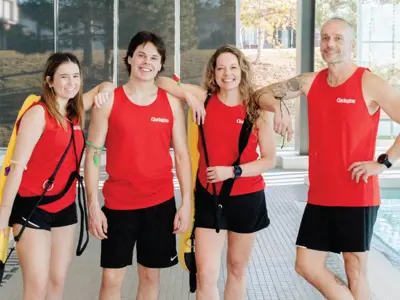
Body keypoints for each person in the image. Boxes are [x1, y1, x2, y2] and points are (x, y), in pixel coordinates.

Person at [254, 17, 400, 300]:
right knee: (306, 265)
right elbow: (260, 94)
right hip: (320, 193)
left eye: (337, 38)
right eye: (324, 38)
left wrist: (383, 163)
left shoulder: (369, 82)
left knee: (354, 269)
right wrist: (280, 108)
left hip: (357, 192)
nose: (329, 44)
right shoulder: (310, 82)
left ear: (352, 45)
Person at [84, 31, 205, 300]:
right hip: (118, 204)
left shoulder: (172, 102)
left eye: (154, 57)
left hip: (159, 204)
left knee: (151, 276)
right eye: (141, 55)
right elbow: (92, 154)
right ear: (129, 58)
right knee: (111, 278)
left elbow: (182, 155)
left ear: (161, 64)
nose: (146, 62)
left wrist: (186, 203)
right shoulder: (109, 101)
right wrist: (93, 204)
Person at [156, 44, 277, 300]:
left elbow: (269, 160)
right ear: (213, 72)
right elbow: (161, 80)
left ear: (242, 70)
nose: (227, 73)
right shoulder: (203, 98)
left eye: (233, 67)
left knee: (236, 268)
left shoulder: (256, 110)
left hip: (247, 197)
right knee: (206, 274)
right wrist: (187, 96)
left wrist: (232, 171)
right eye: (220, 67)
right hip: (210, 199)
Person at [0, 52, 113, 300]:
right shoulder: (38, 114)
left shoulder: (75, 111)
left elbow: (106, 86)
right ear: (50, 81)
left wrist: (105, 87)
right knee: (36, 285)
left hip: (65, 207)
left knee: (57, 282)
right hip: (33, 208)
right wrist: (3, 216)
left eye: (75, 76)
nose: (71, 82)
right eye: (64, 77)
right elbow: (16, 168)